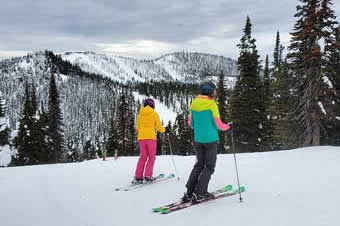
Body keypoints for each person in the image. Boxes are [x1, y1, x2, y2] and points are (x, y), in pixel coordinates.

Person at [182, 81, 230, 201]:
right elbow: (218, 124)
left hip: (198, 139)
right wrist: (228, 127)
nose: (215, 92)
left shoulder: (194, 103)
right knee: (209, 167)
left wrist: (201, 126)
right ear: (210, 92)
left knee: (199, 165)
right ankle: (200, 193)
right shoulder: (211, 104)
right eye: (214, 90)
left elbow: (191, 124)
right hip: (211, 140)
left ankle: (189, 191)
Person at [132, 98, 165, 184]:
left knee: (143, 157)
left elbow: (137, 128)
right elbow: (159, 126)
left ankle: (138, 176)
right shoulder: (154, 114)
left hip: (141, 138)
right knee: (151, 157)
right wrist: (164, 130)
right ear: (152, 105)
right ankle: (148, 175)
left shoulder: (140, 115)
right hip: (151, 138)